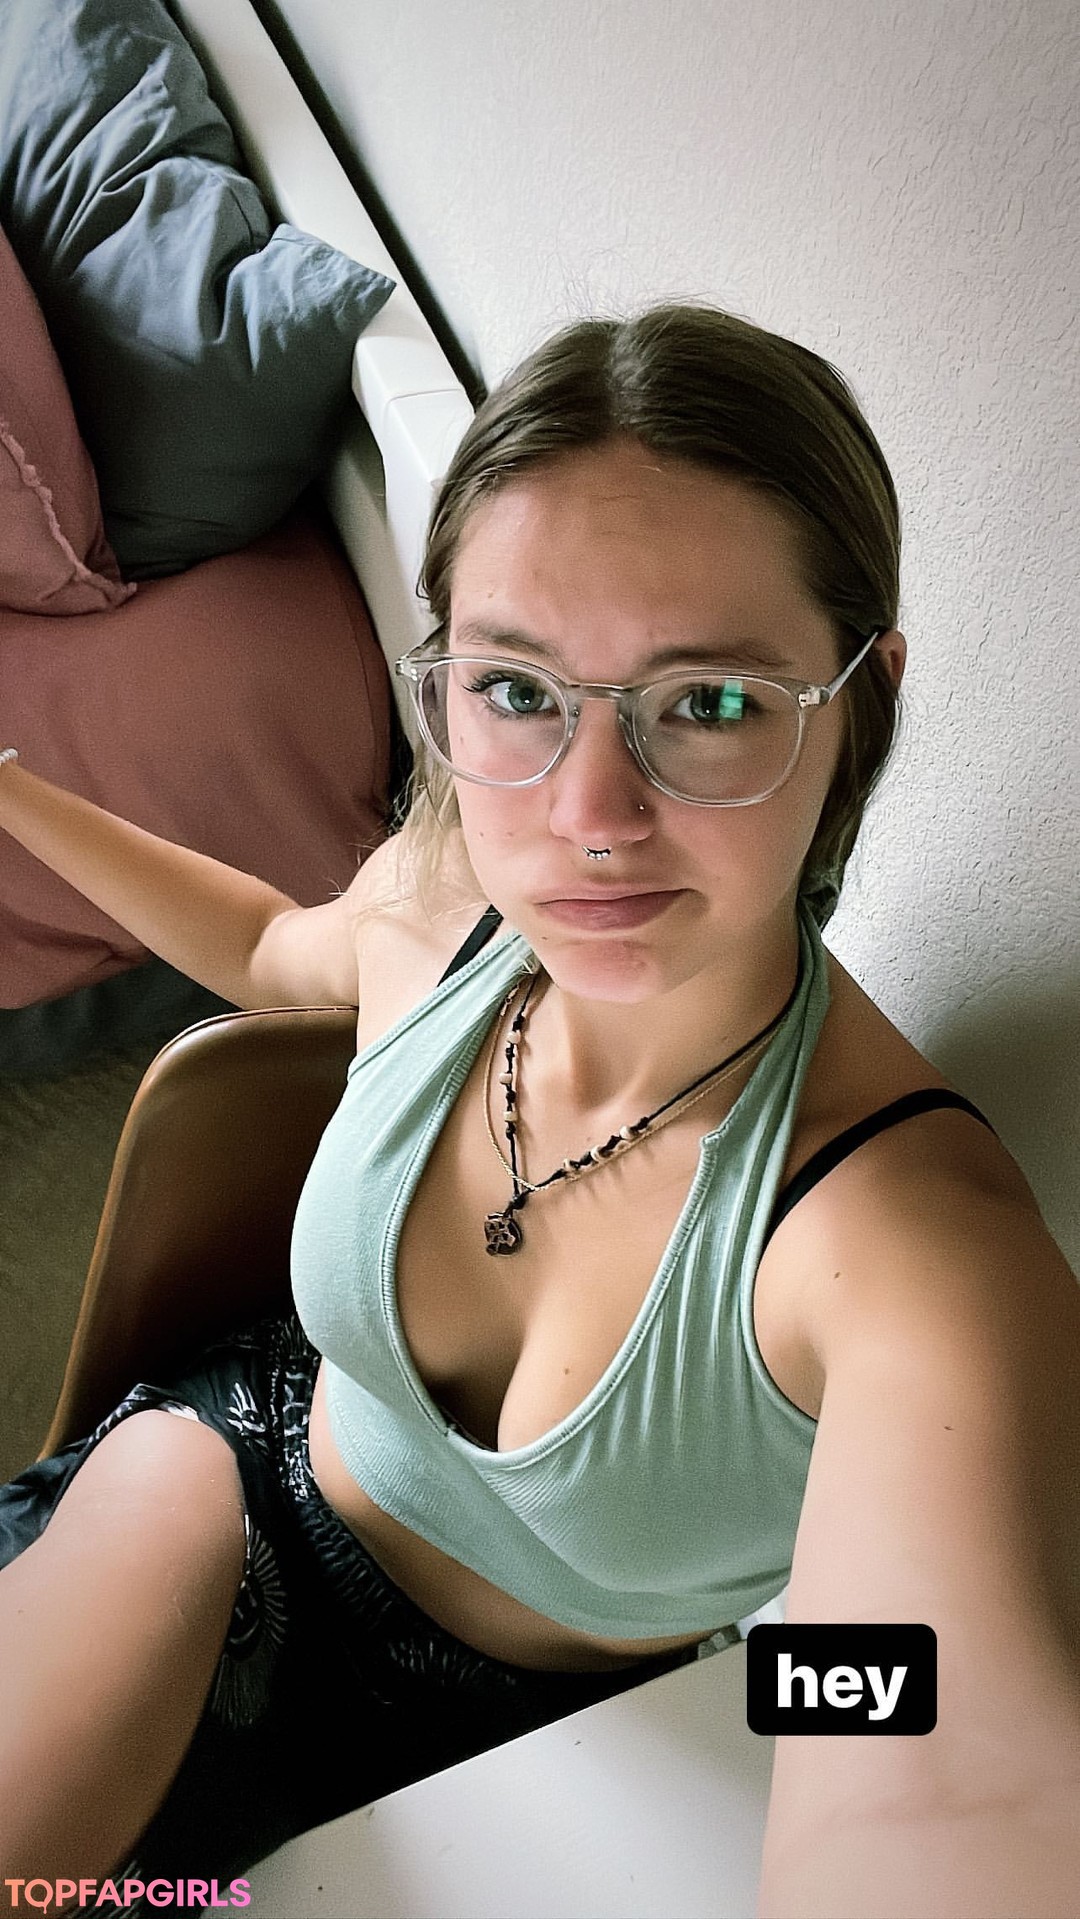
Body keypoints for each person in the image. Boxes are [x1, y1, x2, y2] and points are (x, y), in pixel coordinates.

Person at [0, 304, 1077, 1917]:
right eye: (516, 690)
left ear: (859, 703)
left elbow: (934, 1743)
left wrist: (838, 1737)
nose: (587, 815)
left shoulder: (905, 1248)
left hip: (540, 1758)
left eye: (707, 703)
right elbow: (272, 949)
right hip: (202, 1497)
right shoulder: (447, 897)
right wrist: (11, 789)